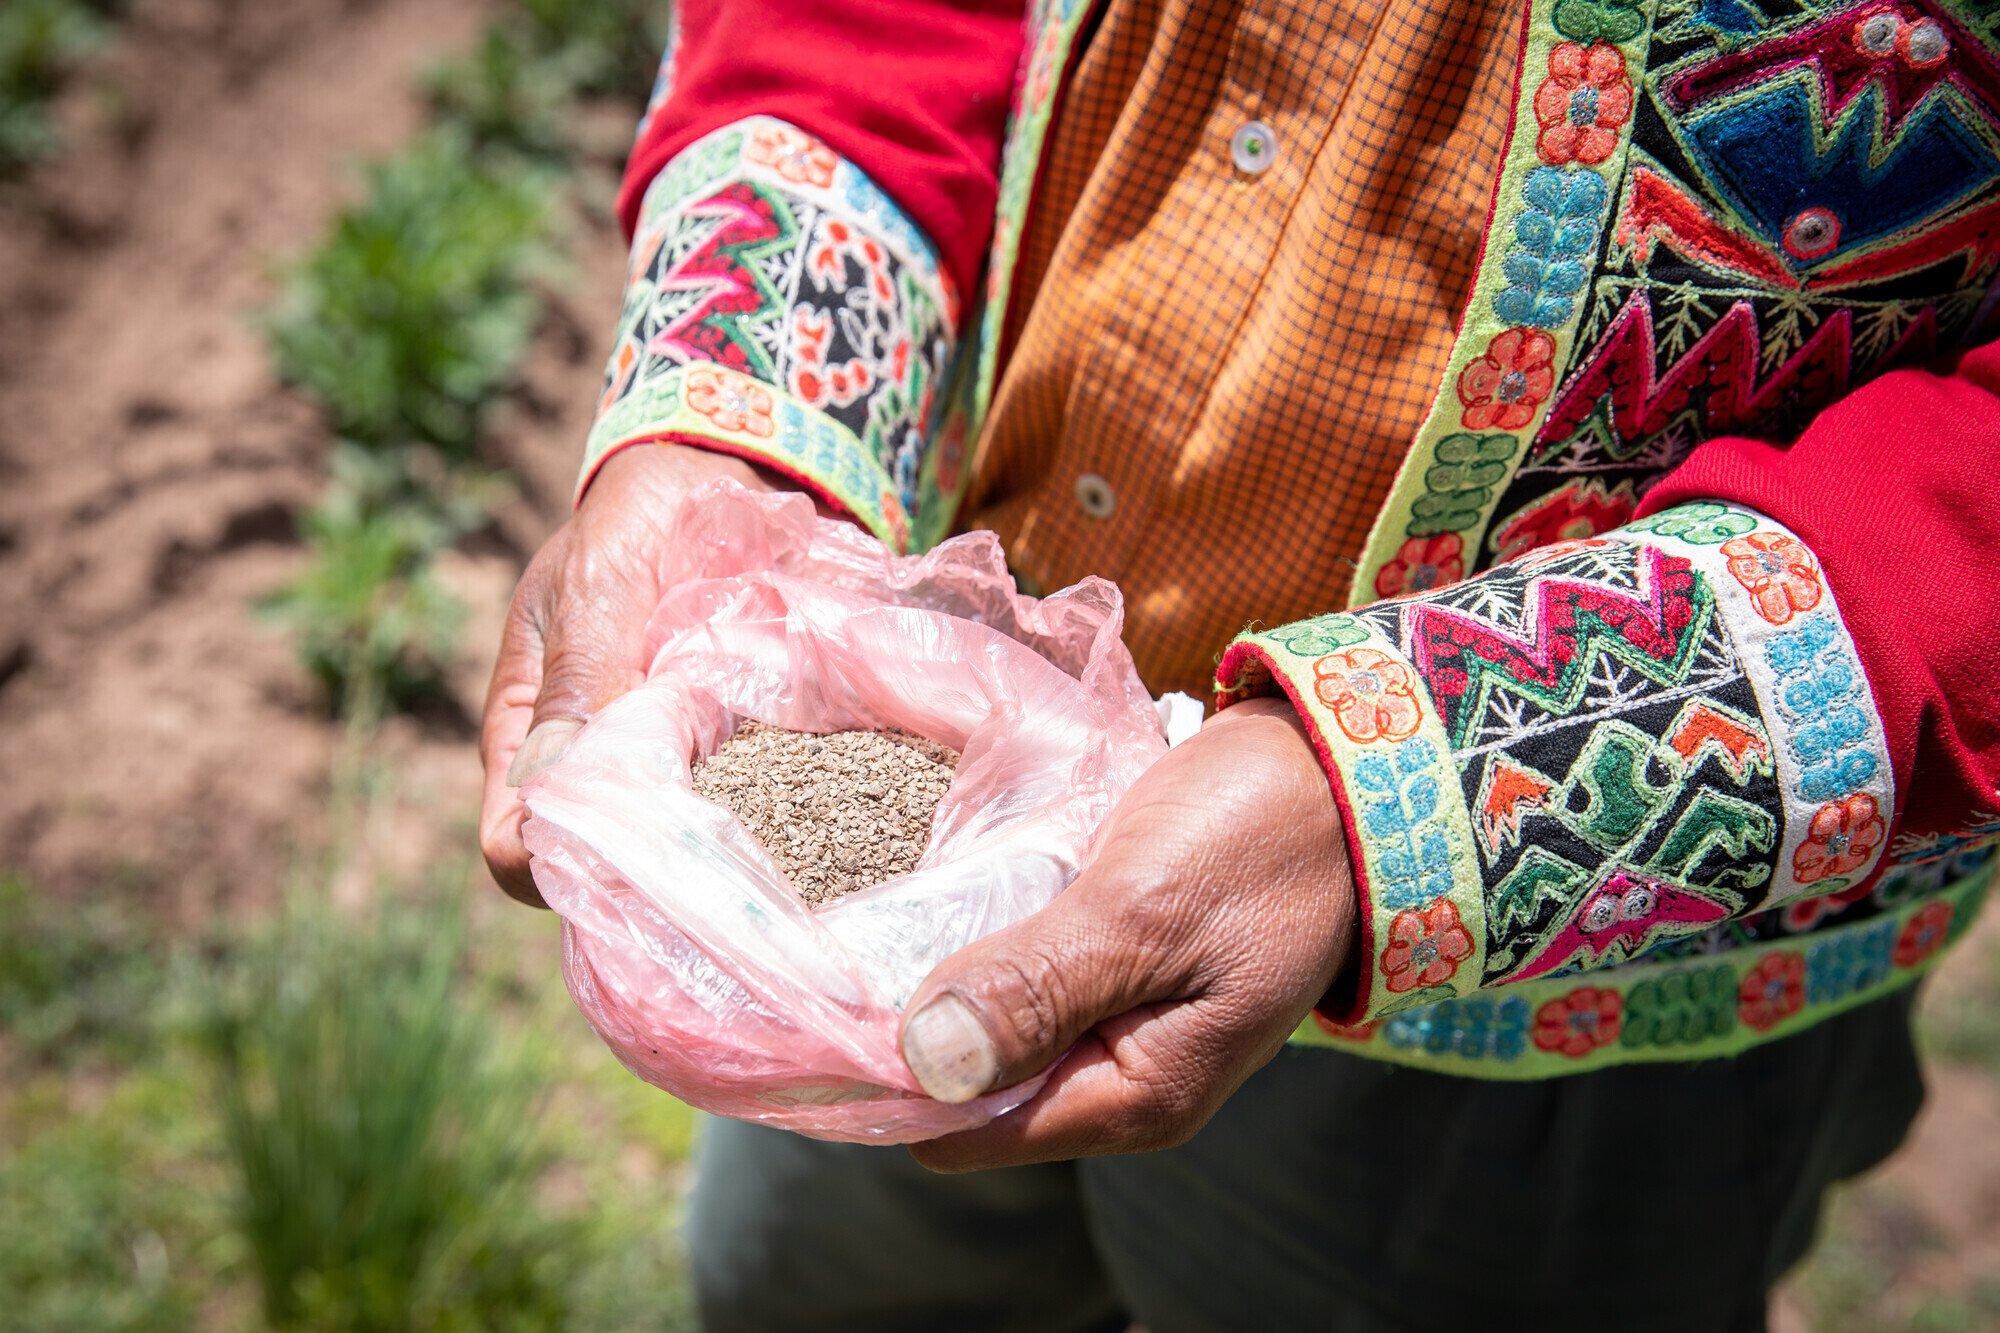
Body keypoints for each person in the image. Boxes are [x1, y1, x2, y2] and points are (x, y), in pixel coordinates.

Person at [479, 1, 2000, 1328]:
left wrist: (1408, 793)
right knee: (823, 1279)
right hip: (912, 801)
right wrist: (741, 405)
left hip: (1543, 1019)